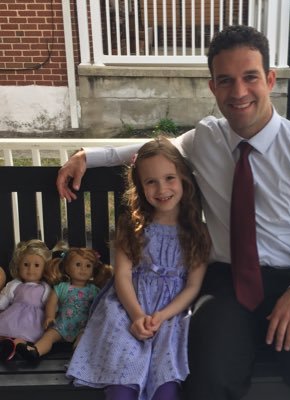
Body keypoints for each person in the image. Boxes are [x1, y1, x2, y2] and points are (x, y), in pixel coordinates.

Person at [56, 25, 290, 400]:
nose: (238, 92)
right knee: (206, 382)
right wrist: (87, 157)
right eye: (225, 80)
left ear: (270, 80)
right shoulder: (206, 138)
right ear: (213, 87)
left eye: (250, 77)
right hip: (225, 284)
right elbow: (156, 150)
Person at [66, 136, 210, 400]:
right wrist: (136, 316)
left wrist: (162, 315)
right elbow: (121, 276)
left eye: (169, 178)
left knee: (166, 386)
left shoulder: (197, 232)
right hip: (127, 306)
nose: (161, 188)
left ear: (183, 179)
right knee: (122, 382)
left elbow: (193, 286)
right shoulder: (132, 226)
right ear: (140, 186)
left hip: (172, 312)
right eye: (151, 181)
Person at [16, 246, 113, 362]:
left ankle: (78, 359)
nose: (83, 269)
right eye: (78, 264)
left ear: (93, 270)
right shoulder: (62, 287)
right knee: (49, 336)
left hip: (83, 326)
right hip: (62, 325)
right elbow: (51, 303)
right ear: (67, 267)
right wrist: (50, 316)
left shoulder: (94, 290)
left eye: (88, 266)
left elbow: (101, 306)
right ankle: (35, 351)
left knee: (83, 339)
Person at [0, 239, 53, 361]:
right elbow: (4, 300)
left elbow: (50, 304)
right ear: (18, 266)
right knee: (3, 333)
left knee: (24, 338)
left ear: (44, 269)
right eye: (26, 264)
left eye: (37, 265)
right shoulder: (14, 284)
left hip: (32, 321)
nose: (30, 269)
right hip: (12, 316)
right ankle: (6, 347)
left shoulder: (45, 288)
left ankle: (18, 347)